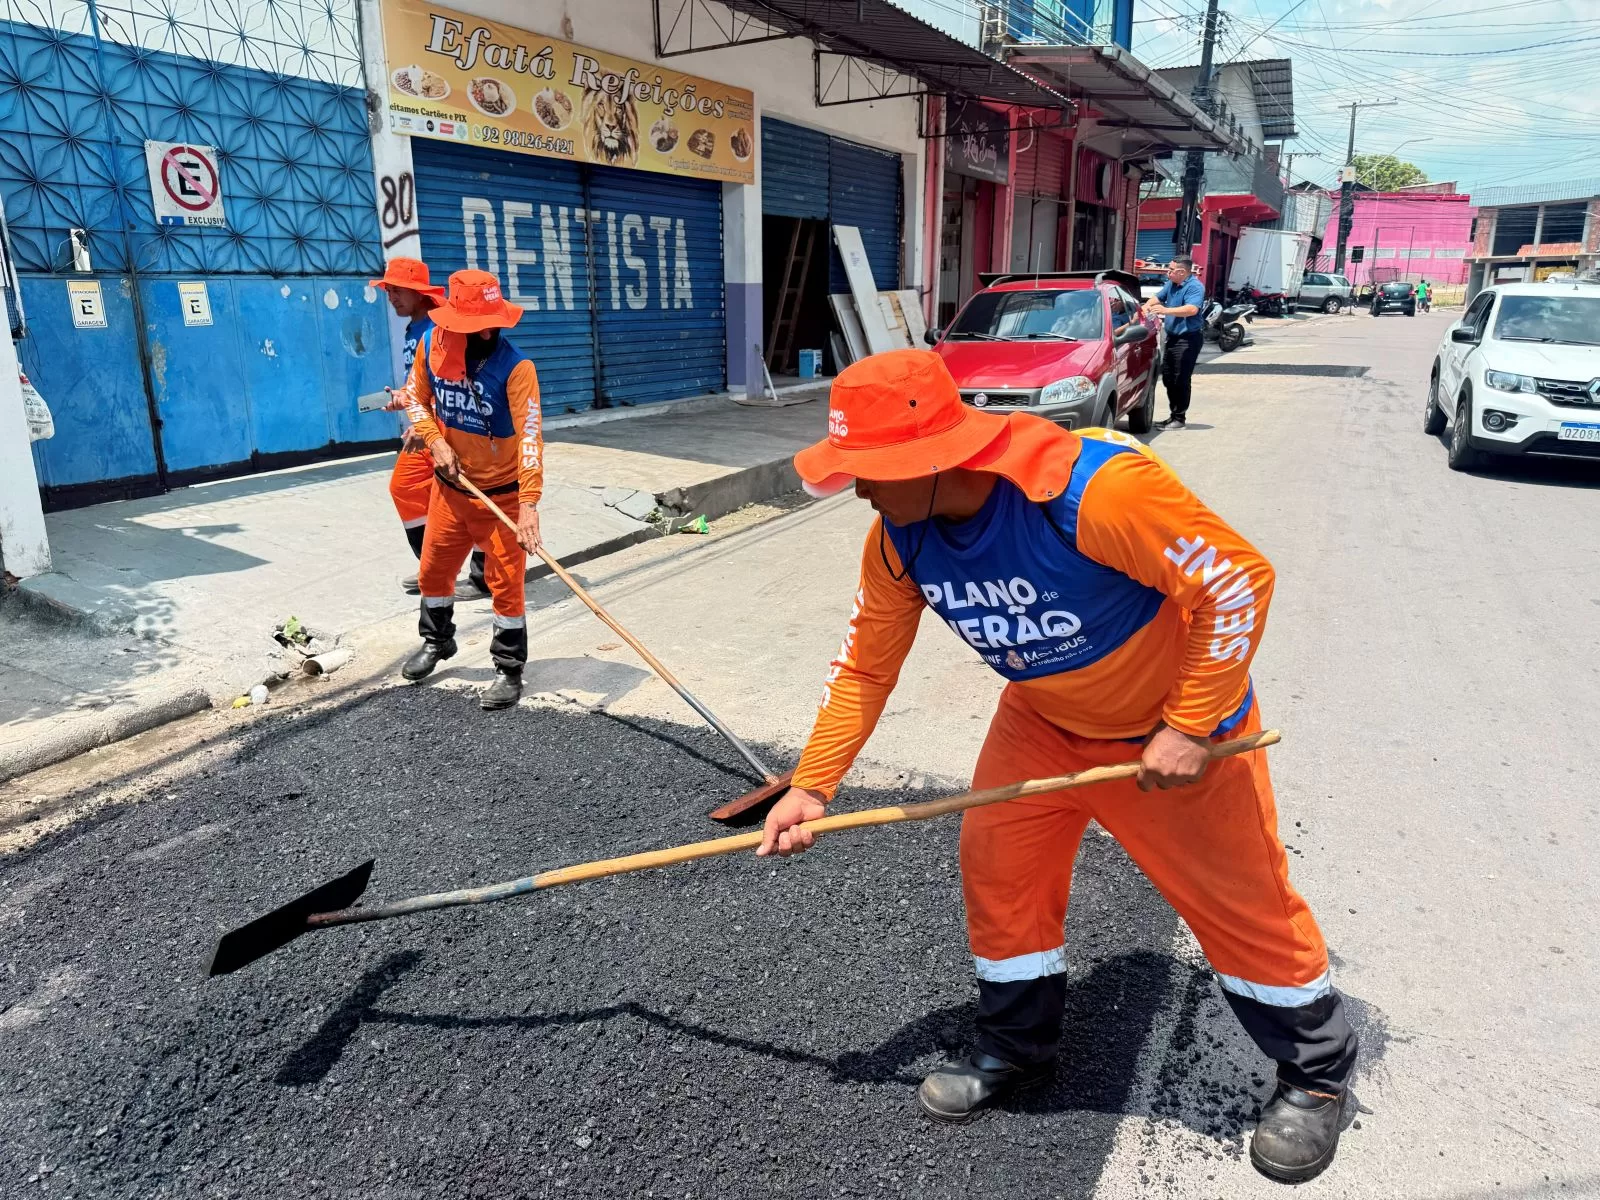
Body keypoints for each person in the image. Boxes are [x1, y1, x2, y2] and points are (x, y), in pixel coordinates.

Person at [760, 349, 1359, 1185]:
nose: (857, 489)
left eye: (869, 471)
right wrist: (812, 785)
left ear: (933, 459)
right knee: (999, 870)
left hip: (1171, 736)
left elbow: (1236, 583)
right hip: (1043, 723)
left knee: (1239, 901)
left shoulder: (1092, 492)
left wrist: (1189, 725)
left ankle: (1316, 1075)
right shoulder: (898, 539)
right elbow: (864, 667)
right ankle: (1016, 1047)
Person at [397, 270, 543, 711]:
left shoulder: (517, 369)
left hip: (501, 495)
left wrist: (529, 505)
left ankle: (509, 669)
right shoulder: (431, 344)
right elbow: (415, 398)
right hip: (451, 489)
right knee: (433, 572)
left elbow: (531, 439)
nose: (448, 331)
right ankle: (437, 640)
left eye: (463, 325)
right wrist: (435, 440)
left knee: (506, 586)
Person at [372, 257, 489, 601]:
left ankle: (482, 578)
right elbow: (422, 382)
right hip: (426, 426)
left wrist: (427, 422)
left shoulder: (438, 328)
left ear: (419, 293)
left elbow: (454, 382)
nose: (391, 297)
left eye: (398, 290)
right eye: (388, 291)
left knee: (474, 499)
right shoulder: (414, 328)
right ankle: (435, 568)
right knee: (405, 487)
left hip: (450, 426)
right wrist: (404, 397)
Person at [1141, 256, 1207, 429]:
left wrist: (1166, 310)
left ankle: (1179, 418)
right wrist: (1146, 306)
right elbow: (1157, 297)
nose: (1167, 273)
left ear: (1182, 272)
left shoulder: (1195, 287)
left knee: (1180, 378)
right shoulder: (1172, 284)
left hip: (1188, 339)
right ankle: (1173, 416)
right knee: (1168, 377)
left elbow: (1192, 309)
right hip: (1172, 337)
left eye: (1170, 270)